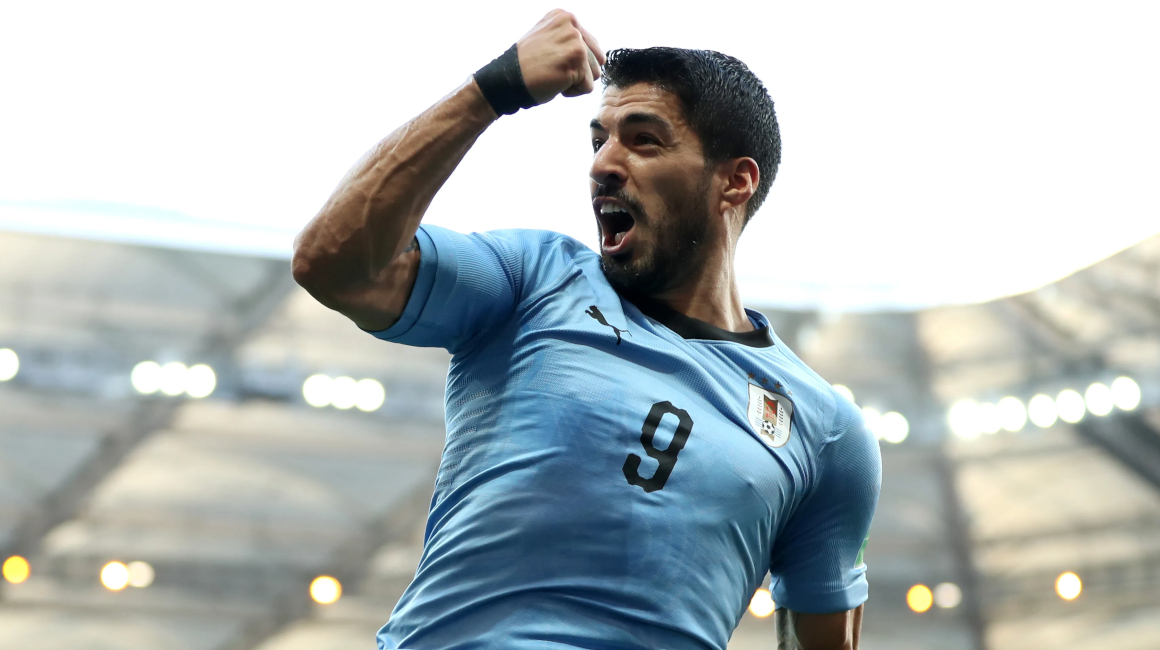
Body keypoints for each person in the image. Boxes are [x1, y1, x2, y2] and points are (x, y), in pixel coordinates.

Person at [293, 9, 880, 650]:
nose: (604, 163)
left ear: (733, 181)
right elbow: (333, 265)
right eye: (598, 140)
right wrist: (490, 91)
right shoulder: (533, 279)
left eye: (644, 139)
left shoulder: (826, 431)